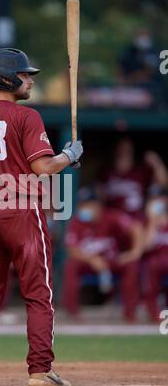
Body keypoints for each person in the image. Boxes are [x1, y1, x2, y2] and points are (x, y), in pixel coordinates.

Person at [0, 47, 83, 386]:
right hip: (22, 211)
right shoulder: (27, 117)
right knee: (38, 293)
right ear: (7, 79)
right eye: (25, 75)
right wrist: (68, 156)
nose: (29, 80)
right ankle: (40, 371)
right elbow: (42, 167)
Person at [63, 187, 142, 322]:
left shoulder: (111, 216)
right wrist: (92, 259)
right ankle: (73, 314)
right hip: (88, 263)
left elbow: (136, 228)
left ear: (98, 205)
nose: (84, 208)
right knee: (70, 265)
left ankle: (130, 314)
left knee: (131, 265)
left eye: (88, 204)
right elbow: (72, 249)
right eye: (82, 205)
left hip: (112, 261)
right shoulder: (77, 221)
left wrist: (135, 252)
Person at [100, 137, 168, 221]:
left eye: (127, 150)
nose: (124, 153)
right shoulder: (107, 172)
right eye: (121, 149)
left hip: (135, 220)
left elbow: (163, 183)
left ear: (132, 152)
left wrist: (157, 163)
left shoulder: (140, 171)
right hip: (112, 220)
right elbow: (99, 195)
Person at [142, 186, 168, 322]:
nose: (157, 202)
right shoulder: (147, 221)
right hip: (156, 260)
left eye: (159, 198)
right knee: (151, 265)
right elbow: (147, 246)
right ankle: (154, 315)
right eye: (153, 199)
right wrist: (153, 222)